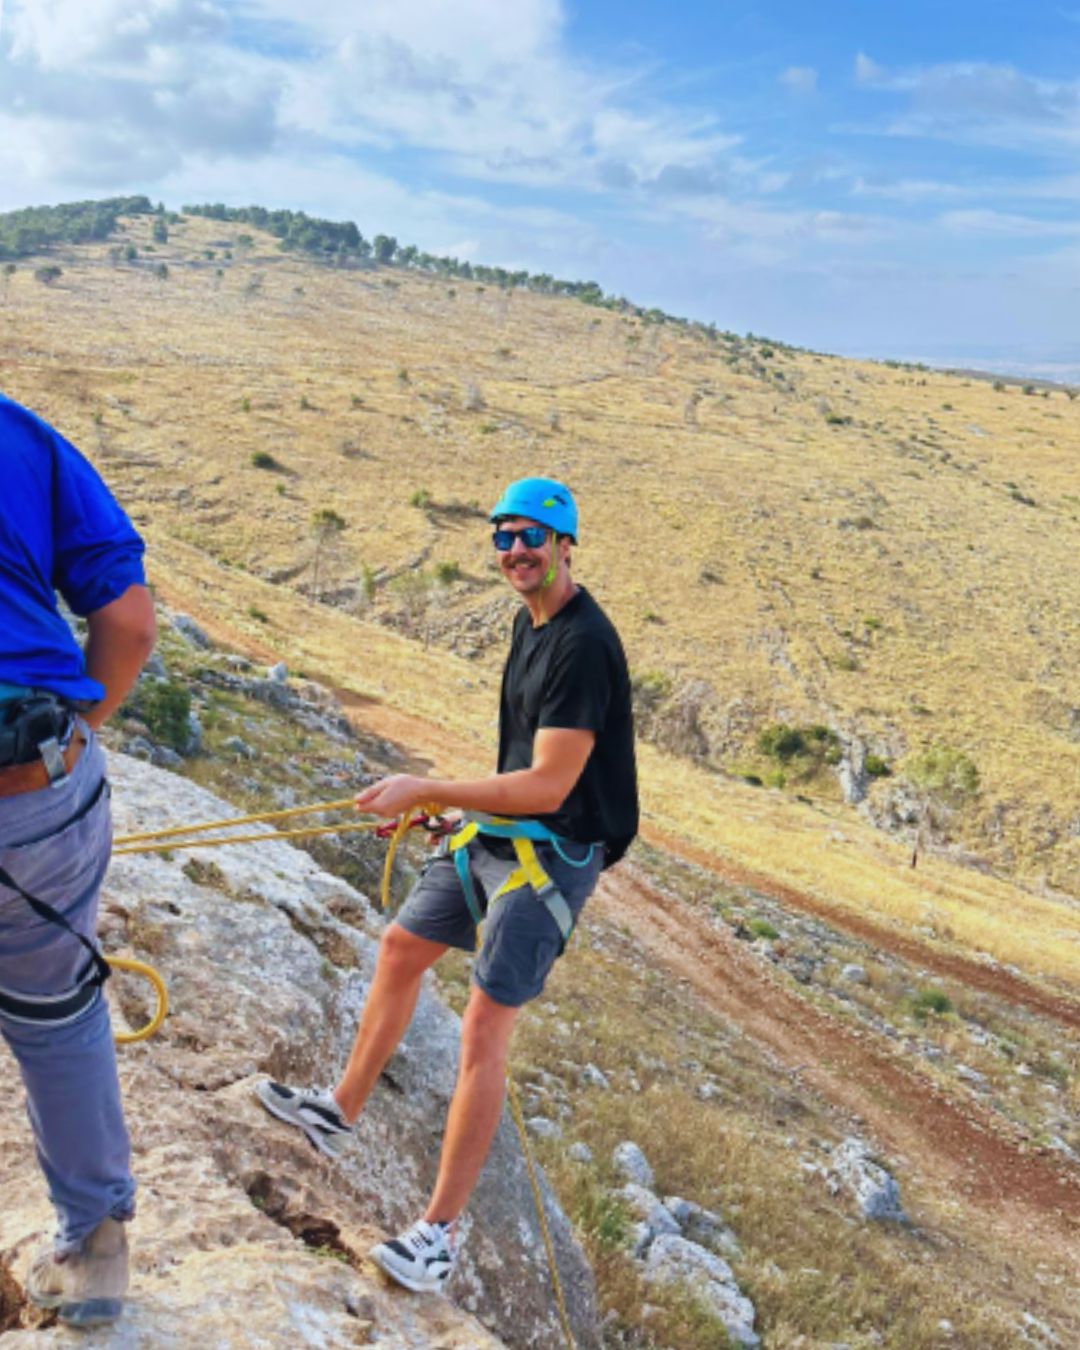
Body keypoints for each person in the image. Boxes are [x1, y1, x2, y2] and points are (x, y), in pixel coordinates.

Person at [259, 476, 638, 1292]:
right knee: (400, 947)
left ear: (566, 543)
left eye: (531, 537)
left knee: (482, 1031)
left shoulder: (582, 645)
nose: (515, 552)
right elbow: (518, 774)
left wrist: (428, 789)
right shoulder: (528, 623)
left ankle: (439, 1236)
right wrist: (457, 821)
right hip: (502, 839)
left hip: (554, 858)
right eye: (502, 538)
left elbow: (548, 788)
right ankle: (339, 1110)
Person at [0, 394, 155, 1328]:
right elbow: (128, 626)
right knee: (56, 1015)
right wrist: (72, 744)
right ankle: (95, 1254)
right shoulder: (21, 439)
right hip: (32, 792)